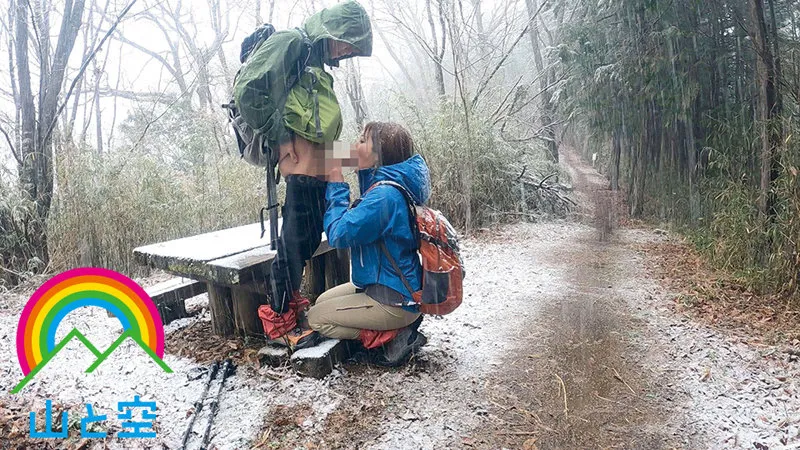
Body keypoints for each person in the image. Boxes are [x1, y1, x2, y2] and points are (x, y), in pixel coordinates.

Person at [235, 1, 372, 348]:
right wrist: (280, 135)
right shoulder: (292, 43)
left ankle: (290, 302)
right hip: (299, 166)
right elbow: (249, 89)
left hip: (315, 166)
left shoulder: (312, 58)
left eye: (352, 50)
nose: (345, 53)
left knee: (308, 239)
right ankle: (279, 321)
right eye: (347, 44)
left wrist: (363, 156)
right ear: (333, 31)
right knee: (294, 244)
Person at [307, 122, 430, 366]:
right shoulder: (386, 187)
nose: (355, 146)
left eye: (362, 141)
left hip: (394, 300)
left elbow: (339, 234)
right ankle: (397, 326)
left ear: (378, 156)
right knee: (321, 301)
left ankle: (394, 336)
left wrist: (336, 181)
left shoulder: (384, 198)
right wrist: (357, 168)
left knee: (316, 318)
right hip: (387, 285)